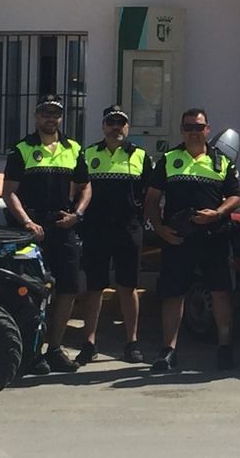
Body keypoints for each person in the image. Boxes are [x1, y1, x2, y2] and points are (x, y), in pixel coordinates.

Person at [145, 107, 240, 373]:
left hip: (214, 237)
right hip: (178, 238)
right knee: (173, 295)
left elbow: (235, 196)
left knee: (220, 293)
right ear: (181, 130)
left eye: (199, 127)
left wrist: (219, 213)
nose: (194, 132)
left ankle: (224, 347)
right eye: (189, 127)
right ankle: (168, 351)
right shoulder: (168, 159)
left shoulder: (222, 162)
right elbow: (152, 200)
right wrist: (161, 230)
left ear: (208, 129)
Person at [2, 94, 90, 374]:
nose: (51, 118)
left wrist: (77, 215)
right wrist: (27, 222)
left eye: (55, 114)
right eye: (45, 113)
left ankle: (54, 348)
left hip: (63, 227)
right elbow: (9, 193)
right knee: (31, 293)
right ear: (36, 117)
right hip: (32, 230)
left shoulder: (74, 148)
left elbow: (86, 186)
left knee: (67, 289)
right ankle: (32, 351)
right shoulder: (21, 149)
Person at [76, 105, 149, 366]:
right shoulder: (87, 154)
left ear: (127, 127)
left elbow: (150, 194)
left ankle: (132, 343)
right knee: (94, 287)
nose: (116, 127)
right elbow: (78, 189)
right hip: (96, 229)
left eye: (121, 123)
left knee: (128, 287)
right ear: (103, 126)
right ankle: (89, 343)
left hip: (128, 229)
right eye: (111, 122)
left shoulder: (140, 155)